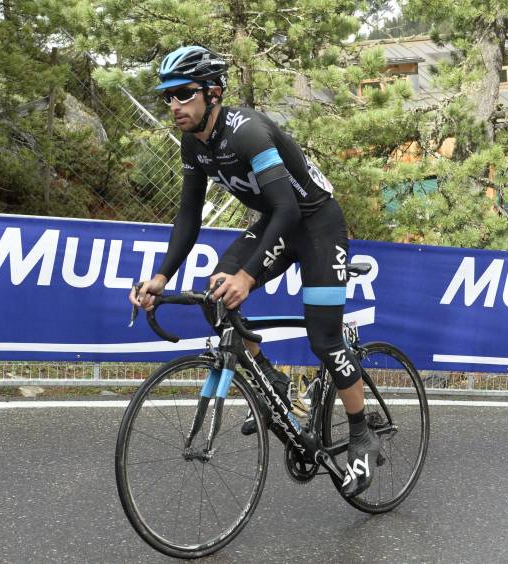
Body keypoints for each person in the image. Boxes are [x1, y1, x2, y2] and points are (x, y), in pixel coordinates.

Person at [128, 45, 381, 497]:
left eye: (183, 94)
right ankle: (274, 380)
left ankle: (361, 432)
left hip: (316, 222)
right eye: (167, 97)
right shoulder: (193, 143)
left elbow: (287, 207)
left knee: (323, 338)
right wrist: (160, 277)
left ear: (213, 92)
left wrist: (248, 276)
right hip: (277, 222)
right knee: (216, 292)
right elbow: (188, 219)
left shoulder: (248, 133)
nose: (174, 106)